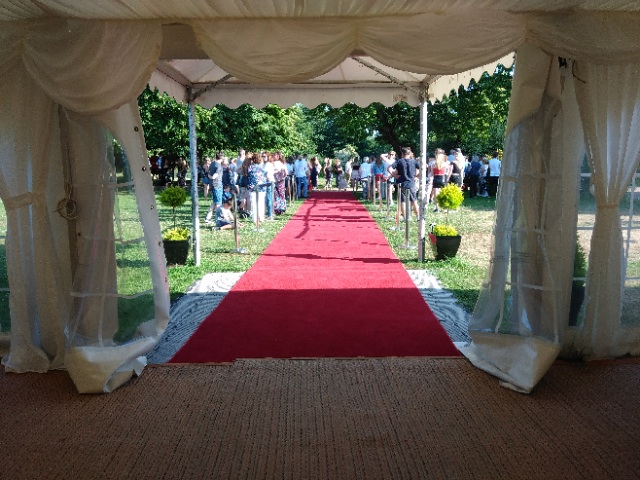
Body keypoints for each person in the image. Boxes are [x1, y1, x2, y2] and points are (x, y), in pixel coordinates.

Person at [388, 147, 420, 219]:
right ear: (409, 153)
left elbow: (389, 168)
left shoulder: (399, 161)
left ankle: (405, 216)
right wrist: (417, 176)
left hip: (401, 183)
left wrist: (394, 176)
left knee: (403, 200)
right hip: (411, 183)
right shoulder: (414, 161)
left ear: (402, 154)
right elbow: (422, 168)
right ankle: (418, 216)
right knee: (414, 200)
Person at [247, 152, 267, 223]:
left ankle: (254, 218)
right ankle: (261, 217)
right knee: (261, 203)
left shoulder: (250, 167)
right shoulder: (263, 167)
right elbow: (265, 174)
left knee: (253, 203)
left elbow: (248, 175)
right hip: (262, 187)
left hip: (253, 187)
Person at [204, 152, 223, 224]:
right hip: (217, 185)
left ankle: (208, 218)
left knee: (214, 202)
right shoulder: (219, 166)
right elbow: (214, 176)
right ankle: (218, 219)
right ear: (222, 158)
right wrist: (211, 177)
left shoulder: (212, 164)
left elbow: (208, 173)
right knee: (218, 203)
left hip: (212, 185)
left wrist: (209, 176)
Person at [263, 152, 275, 220]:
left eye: (264, 156)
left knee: (268, 198)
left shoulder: (268, 164)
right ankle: (269, 214)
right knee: (267, 199)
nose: (263, 157)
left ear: (268, 157)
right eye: (262, 156)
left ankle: (270, 214)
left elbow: (266, 174)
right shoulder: (264, 164)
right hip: (266, 182)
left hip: (269, 182)